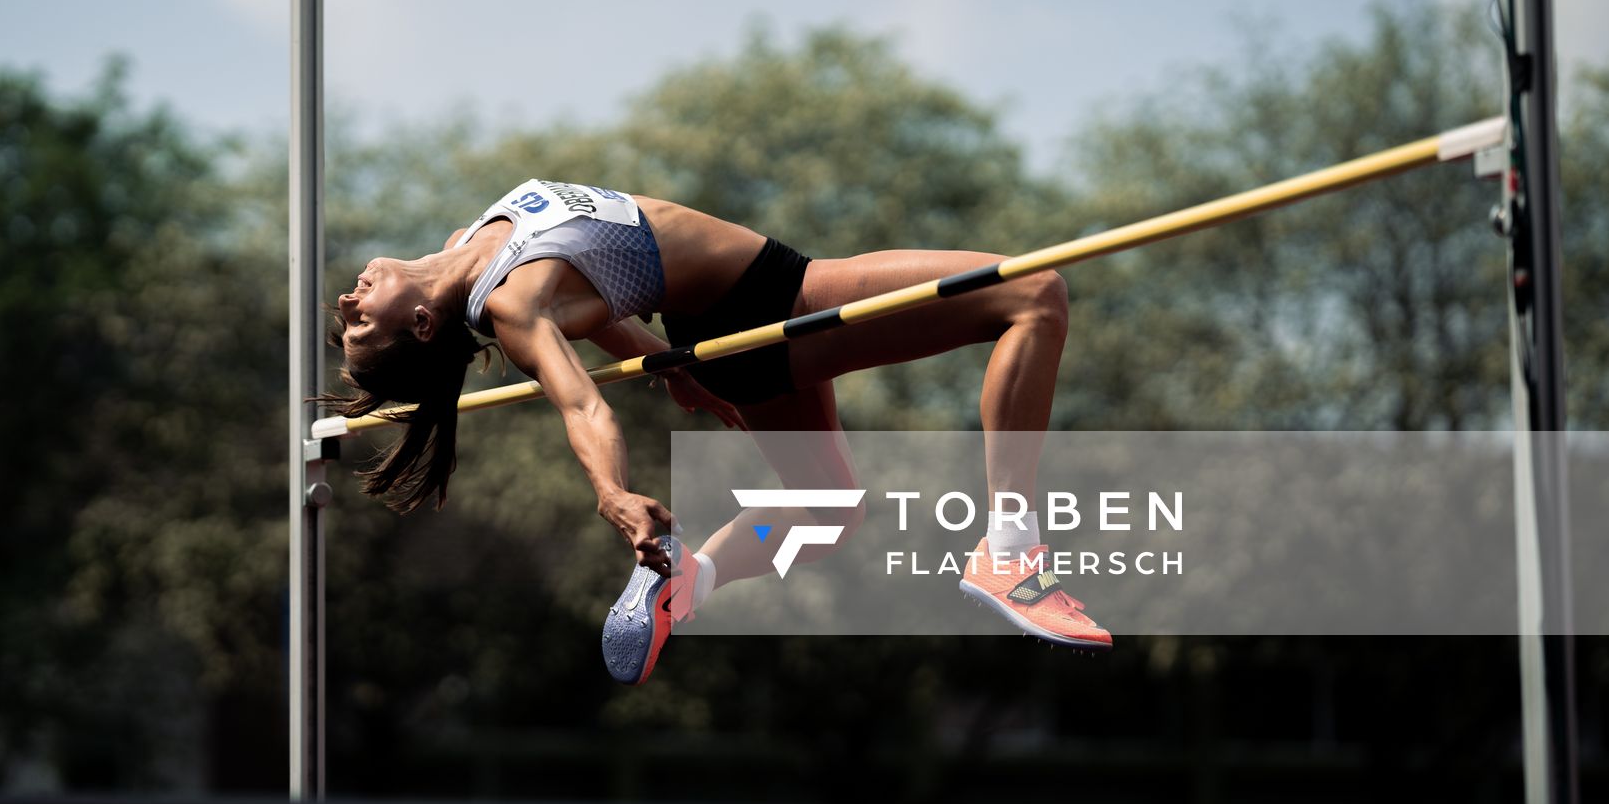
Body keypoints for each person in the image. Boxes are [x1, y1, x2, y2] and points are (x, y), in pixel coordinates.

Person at [323, 178, 1110, 685]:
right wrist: (613, 494)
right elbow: (582, 405)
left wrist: (673, 368)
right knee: (1033, 292)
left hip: (724, 332)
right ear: (424, 325)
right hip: (777, 302)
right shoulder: (507, 304)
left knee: (830, 508)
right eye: (361, 325)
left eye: (346, 318)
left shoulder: (468, 250)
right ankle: (1011, 550)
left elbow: (595, 302)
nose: (347, 305)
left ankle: (688, 581)